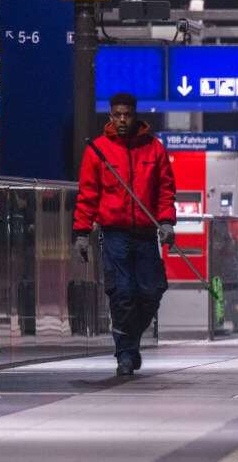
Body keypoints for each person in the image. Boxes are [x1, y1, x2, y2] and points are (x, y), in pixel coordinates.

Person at [73, 92, 176, 376]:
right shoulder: (97, 150)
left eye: (126, 114)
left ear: (135, 115)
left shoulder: (154, 149)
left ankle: (130, 340)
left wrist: (166, 221)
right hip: (114, 234)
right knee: (123, 294)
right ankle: (126, 354)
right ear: (110, 115)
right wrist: (82, 232)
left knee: (152, 291)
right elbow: (88, 195)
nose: (121, 119)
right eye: (117, 114)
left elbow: (165, 190)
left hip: (145, 234)